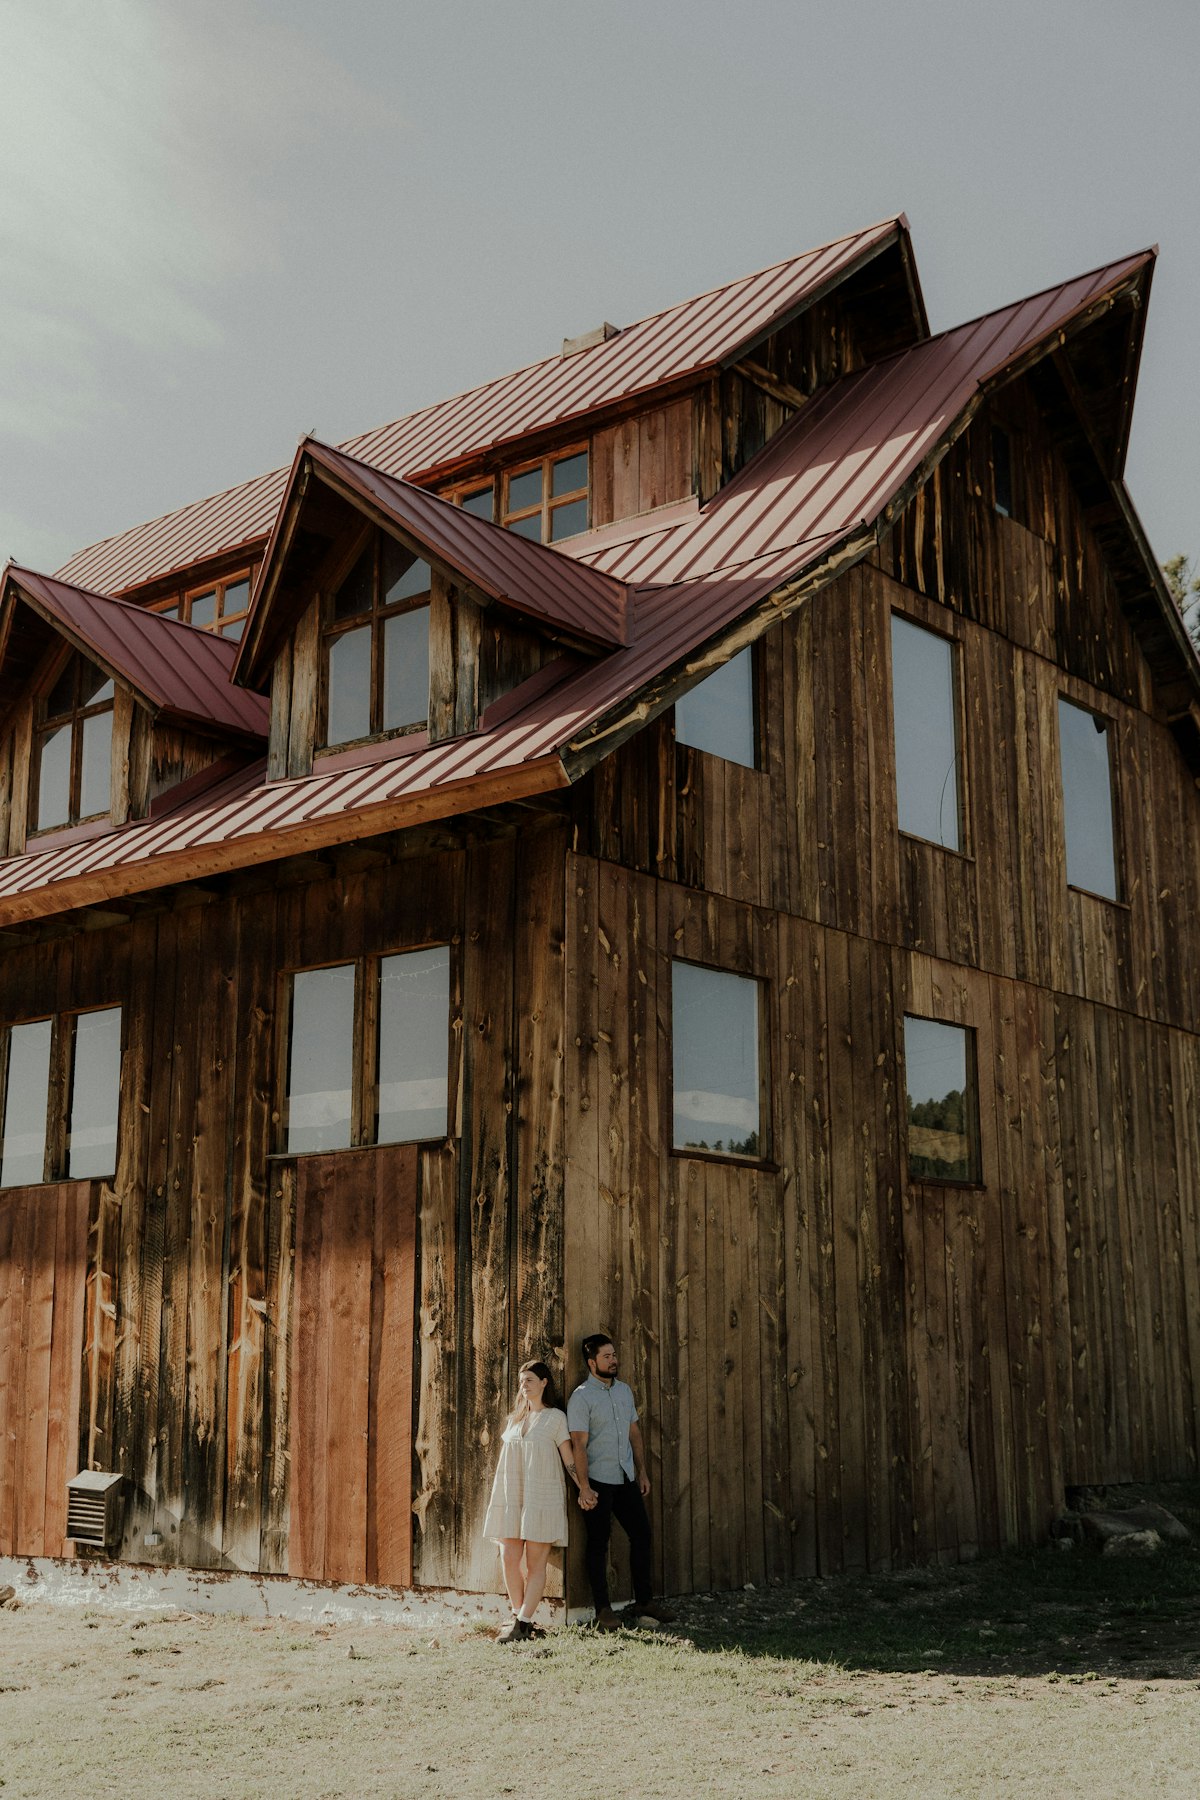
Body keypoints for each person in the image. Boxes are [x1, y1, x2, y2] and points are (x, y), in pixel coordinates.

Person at [567, 1333, 676, 1630]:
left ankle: (644, 1602)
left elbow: (635, 1434)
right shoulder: (581, 1397)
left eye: (614, 1355)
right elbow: (578, 1444)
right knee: (598, 1545)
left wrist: (641, 1471)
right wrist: (585, 1486)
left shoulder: (624, 1391)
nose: (613, 1360)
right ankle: (603, 1610)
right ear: (592, 1362)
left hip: (625, 1477)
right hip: (598, 1482)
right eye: (606, 1356)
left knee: (641, 1534)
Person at [481, 1359, 577, 1643]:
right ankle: (516, 1614)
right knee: (509, 1557)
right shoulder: (515, 1419)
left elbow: (569, 1459)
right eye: (522, 1381)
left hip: (541, 1499)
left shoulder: (556, 1418)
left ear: (544, 1383)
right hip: (512, 1497)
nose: (524, 1386)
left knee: (536, 1564)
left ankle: (523, 1623)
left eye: (530, 1380)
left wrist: (583, 1487)